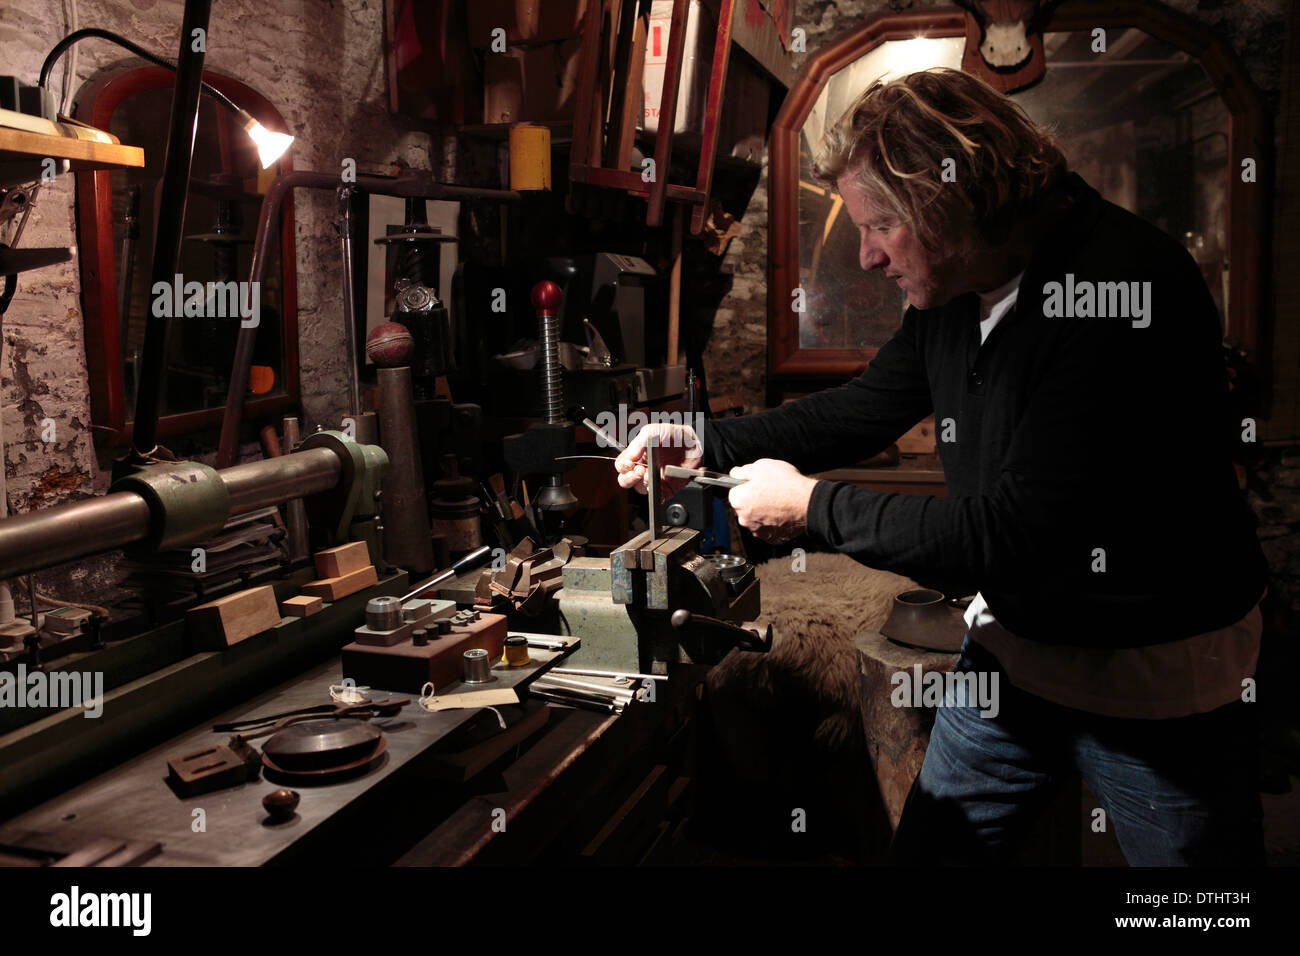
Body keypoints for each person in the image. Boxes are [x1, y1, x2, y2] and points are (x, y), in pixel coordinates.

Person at [613, 68, 1269, 866]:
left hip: (1157, 678)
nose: (866, 255)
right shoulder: (954, 292)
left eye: (881, 224)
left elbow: (1012, 534)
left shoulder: (1120, 290)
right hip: (1017, 656)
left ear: (949, 200)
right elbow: (863, 409)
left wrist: (812, 508)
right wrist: (706, 443)